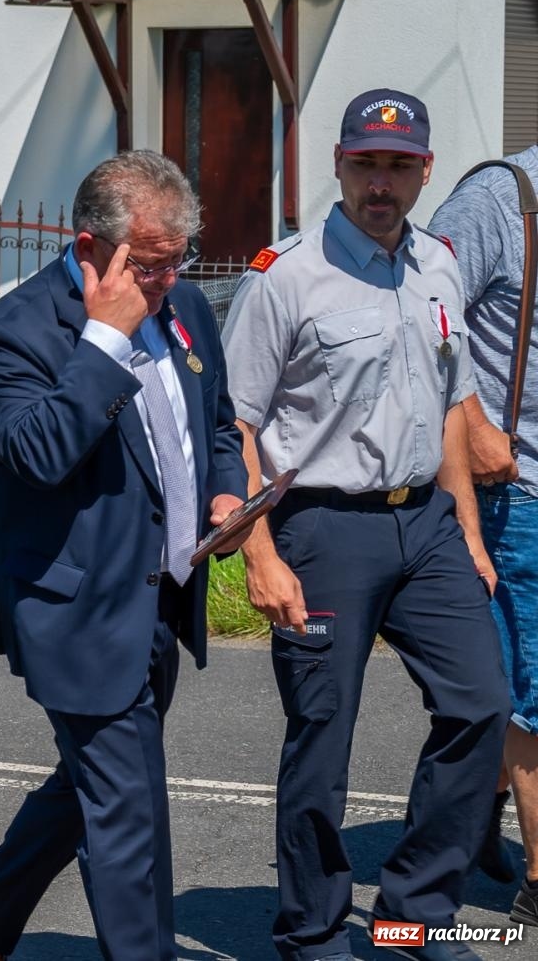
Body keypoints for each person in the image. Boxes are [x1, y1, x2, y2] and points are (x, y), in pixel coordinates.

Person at [0, 150, 249, 961]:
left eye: (181, 261)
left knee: (97, 787)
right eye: (150, 263)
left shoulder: (186, 307)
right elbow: (34, 454)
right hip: (78, 609)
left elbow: (216, 422)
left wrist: (228, 493)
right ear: (90, 244)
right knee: (129, 813)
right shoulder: (13, 331)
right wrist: (105, 336)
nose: (169, 278)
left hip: (163, 592)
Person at [224, 89, 509, 961]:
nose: (380, 183)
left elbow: (450, 402)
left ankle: (413, 914)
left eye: (398, 165)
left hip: (424, 523)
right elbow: (235, 426)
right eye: (364, 163)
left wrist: (463, 528)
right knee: (324, 735)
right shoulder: (286, 275)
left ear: (425, 170)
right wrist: (258, 556)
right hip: (321, 530)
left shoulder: (439, 264)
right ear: (339, 166)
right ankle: (311, 931)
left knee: (482, 705)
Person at [428, 143, 538, 925]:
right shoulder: (500, 200)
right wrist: (470, 425)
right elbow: (421, 313)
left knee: (502, 690)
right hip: (520, 493)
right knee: (530, 693)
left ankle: (463, 820)